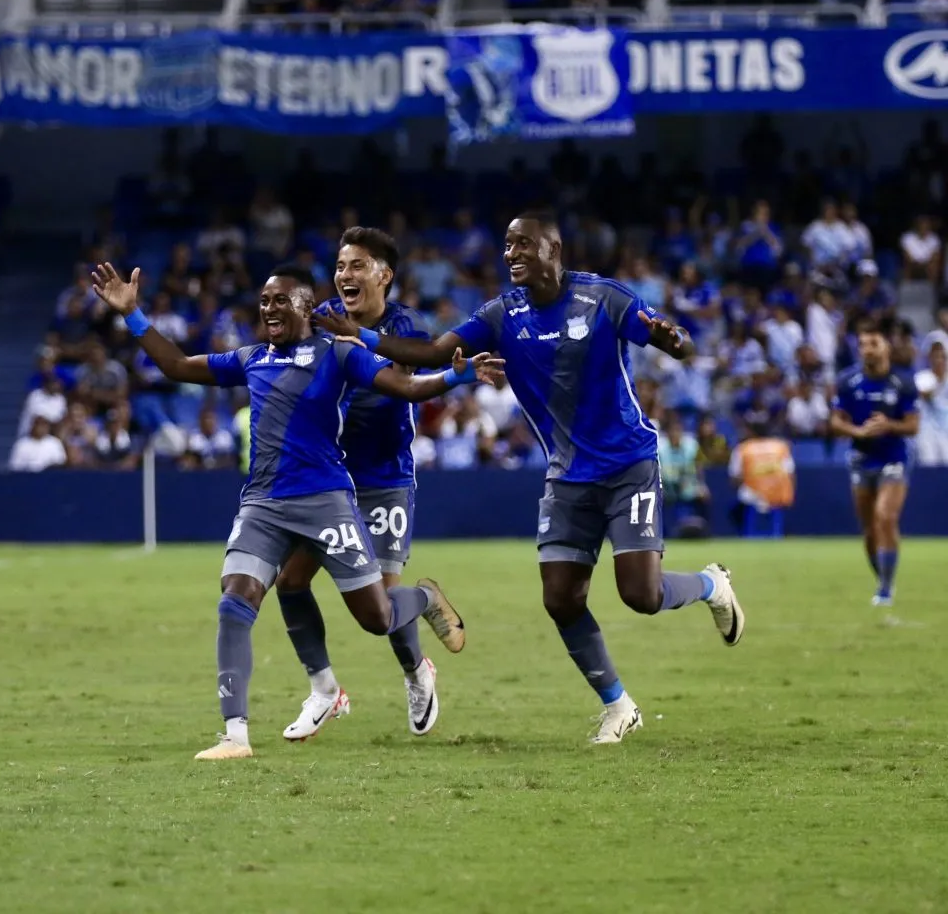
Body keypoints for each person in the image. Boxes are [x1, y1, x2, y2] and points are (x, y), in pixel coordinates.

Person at [319, 211, 744, 745]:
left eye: (524, 244)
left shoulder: (603, 297)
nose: (512, 253)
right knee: (560, 599)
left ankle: (711, 585)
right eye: (507, 245)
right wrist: (361, 335)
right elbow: (431, 352)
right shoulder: (502, 314)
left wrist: (673, 339)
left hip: (628, 465)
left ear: (553, 249)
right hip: (567, 476)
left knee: (641, 594)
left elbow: (681, 344)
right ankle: (618, 706)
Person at [91, 261, 504, 760]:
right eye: (264, 301)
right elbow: (177, 366)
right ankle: (235, 735)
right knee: (235, 599)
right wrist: (133, 315)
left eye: (280, 300)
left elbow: (406, 388)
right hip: (263, 504)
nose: (269, 308)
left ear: (307, 307)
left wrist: (456, 375)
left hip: (326, 502)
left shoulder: (339, 353)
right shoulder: (250, 358)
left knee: (377, 618)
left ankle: (423, 598)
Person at [274, 228, 443, 740]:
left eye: (358, 266)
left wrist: (359, 338)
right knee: (290, 582)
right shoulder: (322, 317)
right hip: (329, 480)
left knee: (384, 608)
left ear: (384, 275)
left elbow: (417, 369)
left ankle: (417, 672)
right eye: (341, 266)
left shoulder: (404, 325)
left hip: (385, 477)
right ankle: (325, 690)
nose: (345, 274)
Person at [829, 319, 920, 606]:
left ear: (886, 346)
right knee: (869, 529)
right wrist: (858, 431)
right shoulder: (847, 381)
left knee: (885, 517)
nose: (867, 350)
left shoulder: (903, 382)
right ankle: (882, 578)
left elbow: (913, 425)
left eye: (873, 343)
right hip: (861, 459)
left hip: (894, 458)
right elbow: (836, 421)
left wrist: (888, 425)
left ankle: (885, 589)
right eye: (863, 344)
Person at [915, 339, 948, 465]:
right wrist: (939, 381)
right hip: (927, 432)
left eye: (942, 357)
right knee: (929, 465)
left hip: (945, 431)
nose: (939, 360)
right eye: (936, 357)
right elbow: (925, 394)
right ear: (930, 358)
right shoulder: (922, 378)